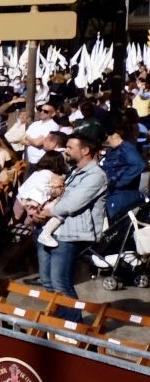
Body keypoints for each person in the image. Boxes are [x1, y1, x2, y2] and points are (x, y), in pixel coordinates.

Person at [30, 122, 109, 301]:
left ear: (85, 151)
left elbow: (72, 204)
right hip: (55, 230)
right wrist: (40, 209)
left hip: (70, 234)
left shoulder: (96, 175)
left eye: (70, 147)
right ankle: (54, 325)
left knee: (60, 283)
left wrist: (47, 213)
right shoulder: (74, 171)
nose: (66, 150)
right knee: (48, 282)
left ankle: (71, 326)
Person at [102, 121, 146, 221]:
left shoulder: (126, 148)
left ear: (115, 136)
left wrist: (121, 182)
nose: (107, 140)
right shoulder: (115, 150)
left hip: (123, 196)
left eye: (108, 136)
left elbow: (138, 164)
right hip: (114, 194)